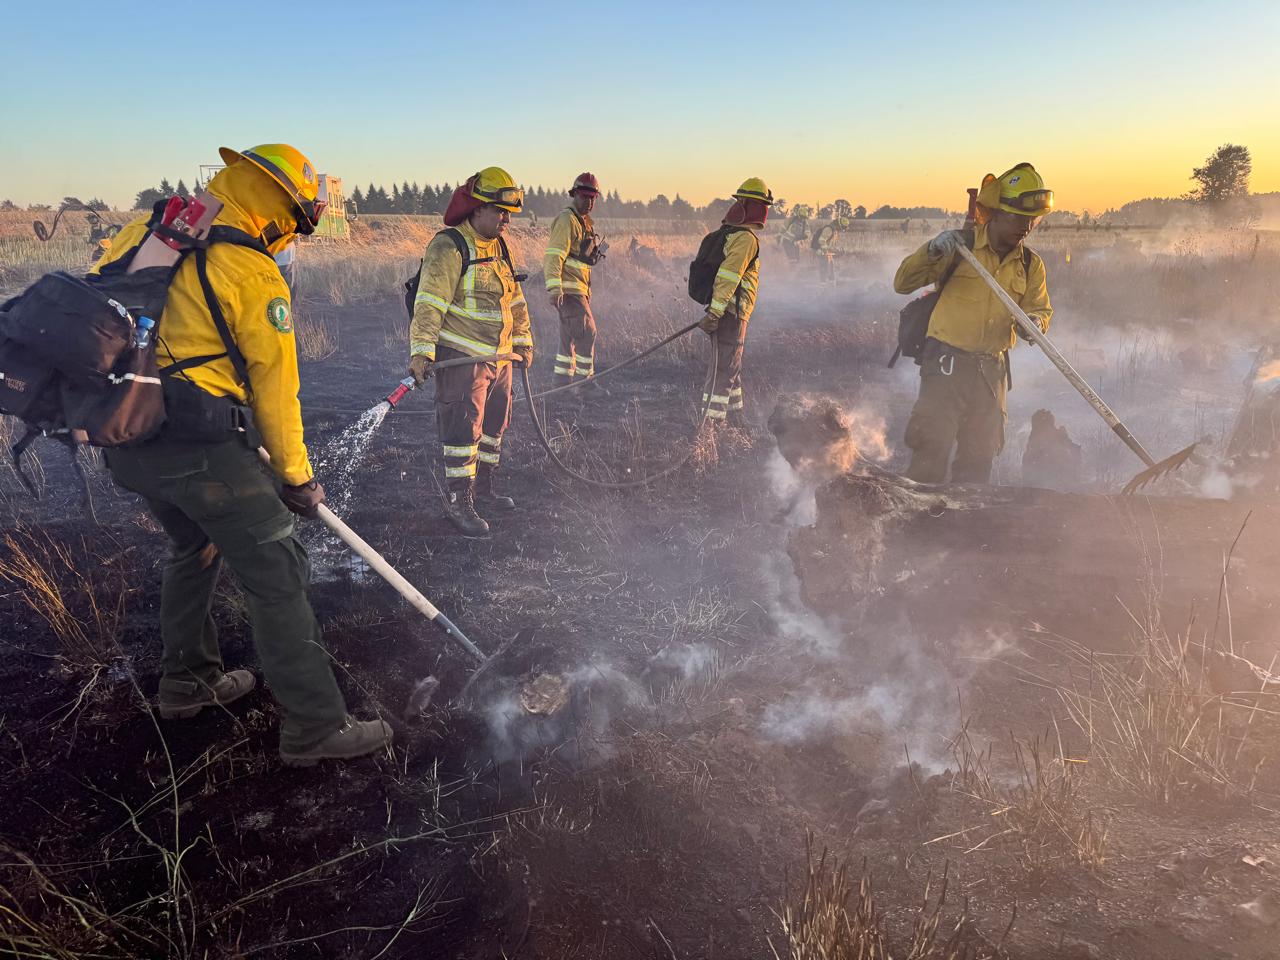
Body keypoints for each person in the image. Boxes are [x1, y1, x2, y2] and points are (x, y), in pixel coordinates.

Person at [98, 144, 391, 766]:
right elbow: (276, 389)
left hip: (126, 439)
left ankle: (187, 683)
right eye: (298, 224)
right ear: (280, 207)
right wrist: (296, 478)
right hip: (201, 452)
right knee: (278, 573)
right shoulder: (252, 271)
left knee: (194, 545)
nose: (293, 238)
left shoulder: (144, 234)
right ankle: (317, 727)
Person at [894, 162, 1053, 484]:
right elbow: (902, 283)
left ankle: (965, 516)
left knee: (978, 462)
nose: (1026, 226)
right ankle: (917, 513)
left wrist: (1035, 323)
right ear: (996, 214)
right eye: (1018, 218)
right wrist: (932, 250)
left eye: (1032, 220)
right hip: (946, 366)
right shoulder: (959, 248)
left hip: (991, 373)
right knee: (930, 452)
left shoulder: (1029, 264)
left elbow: (1040, 308)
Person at [408, 167, 533, 536]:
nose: (506, 219)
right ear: (478, 208)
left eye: (509, 213)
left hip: (500, 358)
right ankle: (459, 502)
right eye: (500, 211)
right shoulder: (449, 247)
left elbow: (515, 299)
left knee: (494, 427)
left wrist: (523, 341)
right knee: (463, 431)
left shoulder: (500, 247)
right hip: (464, 358)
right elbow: (429, 303)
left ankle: (485, 490)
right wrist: (422, 351)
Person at [698, 178, 773, 428]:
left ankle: (735, 418)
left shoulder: (733, 235)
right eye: (763, 205)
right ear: (752, 206)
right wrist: (715, 313)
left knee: (732, 367)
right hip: (731, 314)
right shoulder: (746, 239)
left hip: (731, 313)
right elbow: (728, 277)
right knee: (724, 370)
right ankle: (712, 425)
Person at [544, 173, 607, 387]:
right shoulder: (567, 220)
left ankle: (562, 384)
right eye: (584, 197)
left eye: (592, 198)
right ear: (574, 195)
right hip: (569, 291)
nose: (589, 202)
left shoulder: (583, 222)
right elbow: (554, 255)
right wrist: (554, 288)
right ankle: (585, 385)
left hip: (577, 291)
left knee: (569, 338)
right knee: (587, 333)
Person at [813, 216, 847, 283]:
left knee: (831, 267)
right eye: (842, 228)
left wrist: (836, 250)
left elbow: (830, 244)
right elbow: (821, 241)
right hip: (821, 251)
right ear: (839, 225)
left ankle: (831, 282)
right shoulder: (829, 229)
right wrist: (830, 250)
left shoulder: (834, 231)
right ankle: (823, 284)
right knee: (824, 268)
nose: (842, 230)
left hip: (826, 252)